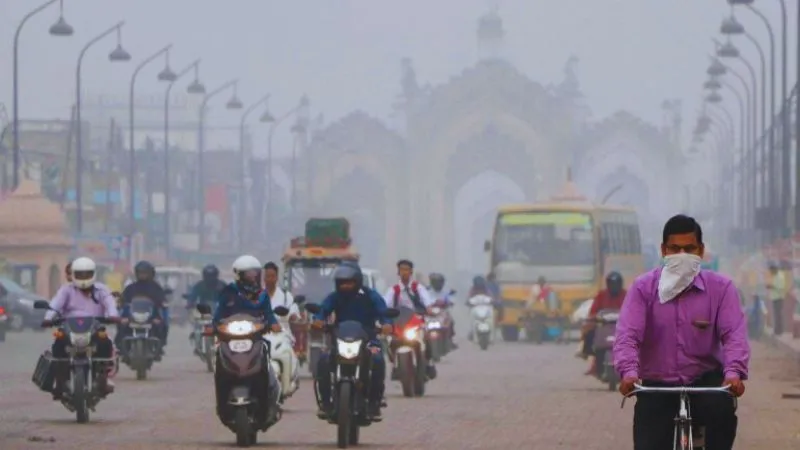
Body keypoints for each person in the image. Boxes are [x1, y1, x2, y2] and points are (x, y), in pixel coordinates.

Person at [614, 214, 749, 450]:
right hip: (657, 384)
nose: (682, 255)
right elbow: (628, 335)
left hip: (706, 381)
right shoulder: (643, 288)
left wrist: (734, 373)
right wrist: (628, 372)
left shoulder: (721, 289)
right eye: (675, 249)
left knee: (723, 419)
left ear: (701, 251)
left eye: (689, 248)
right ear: (663, 250)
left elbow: (734, 335)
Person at [312, 262, 393, 420]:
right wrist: (318, 320)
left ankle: (374, 403)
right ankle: (326, 402)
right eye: (342, 282)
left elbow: (383, 312)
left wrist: (387, 324)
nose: (346, 286)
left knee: (377, 359)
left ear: (357, 281)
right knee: (323, 360)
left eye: (349, 282)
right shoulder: (335, 297)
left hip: (368, 339)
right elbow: (322, 310)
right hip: (340, 340)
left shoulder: (371, 295)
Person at [212, 255, 282, 420]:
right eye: (248, 274)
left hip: (255, 338)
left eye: (255, 273)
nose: (253, 277)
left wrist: (273, 324)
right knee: (219, 364)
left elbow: (269, 315)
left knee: (266, 358)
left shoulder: (262, 296)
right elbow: (218, 315)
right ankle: (221, 403)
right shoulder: (228, 293)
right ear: (238, 275)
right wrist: (212, 326)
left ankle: (268, 400)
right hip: (230, 339)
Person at [43, 257, 120, 400]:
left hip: (95, 328)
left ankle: (102, 377)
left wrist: (113, 316)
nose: (83, 278)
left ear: (93, 274)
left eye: (87, 274)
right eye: (80, 274)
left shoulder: (102, 290)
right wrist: (48, 318)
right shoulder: (66, 290)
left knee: (106, 343)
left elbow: (110, 304)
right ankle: (60, 381)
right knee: (58, 345)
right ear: (73, 274)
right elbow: (55, 305)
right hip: (68, 329)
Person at [384, 259, 437, 377]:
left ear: (411, 271)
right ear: (398, 272)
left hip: (416, 322)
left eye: (407, 270)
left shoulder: (418, 288)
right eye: (402, 270)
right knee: (389, 341)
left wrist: (429, 309)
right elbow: (385, 305)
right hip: (399, 323)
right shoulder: (394, 290)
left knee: (426, 339)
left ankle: (429, 363)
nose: (404, 272)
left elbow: (427, 302)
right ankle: (395, 364)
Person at [118, 261, 168, 354]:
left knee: (162, 325)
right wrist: (120, 303)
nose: (142, 275)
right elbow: (123, 298)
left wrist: (163, 303)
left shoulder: (156, 287)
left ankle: (160, 346)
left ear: (150, 273)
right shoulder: (131, 287)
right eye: (140, 273)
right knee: (121, 324)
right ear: (136, 274)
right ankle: (121, 346)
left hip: (151, 315)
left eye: (144, 273)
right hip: (132, 315)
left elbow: (162, 299)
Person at [581, 271, 626, 376]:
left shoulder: (626, 295)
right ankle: (587, 352)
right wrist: (593, 317)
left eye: (616, 284)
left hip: (621, 327)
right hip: (603, 326)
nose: (614, 286)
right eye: (612, 284)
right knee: (589, 330)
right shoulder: (601, 295)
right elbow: (593, 311)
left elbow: (633, 309)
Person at [428, 272, 457, 349]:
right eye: (435, 282)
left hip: (443, 311)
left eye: (439, 282)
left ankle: (450, 339)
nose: (437, 284)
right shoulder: (427, 291)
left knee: (451, 321)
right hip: (430, 312)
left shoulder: (446, 291)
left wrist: (449, 302)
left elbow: (451, 300)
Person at [766, 262, 787, 336]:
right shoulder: (775, 275)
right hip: (775, 297)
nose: (771, 272)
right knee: (776, 315)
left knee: (778, 315)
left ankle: (779, 331)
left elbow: (781, 288)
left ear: (774, 269)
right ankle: (777, 330)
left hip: (779, 297)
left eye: (771, 270)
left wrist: (772, 286)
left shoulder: (780, 276)